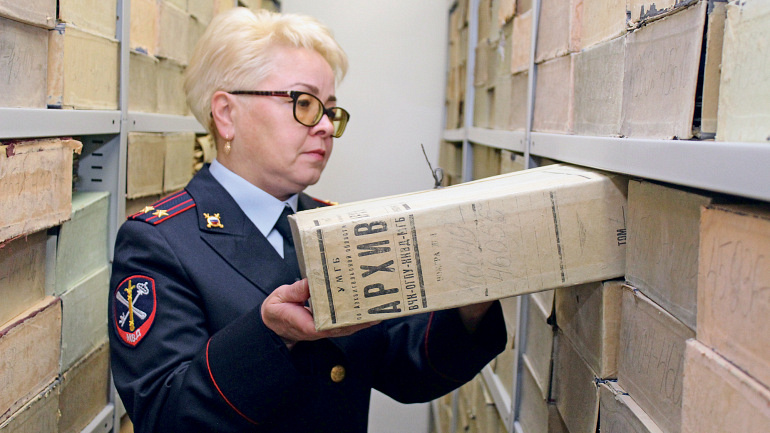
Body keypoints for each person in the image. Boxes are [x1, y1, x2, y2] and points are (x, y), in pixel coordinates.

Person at [108, 7, 506, 433]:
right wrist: (272, 335)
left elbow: (402, 364)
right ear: (226, 114)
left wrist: (473, 297)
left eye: (330, 111)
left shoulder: (335, 226)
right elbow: (166, 415)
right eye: (304, 103)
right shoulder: (161, 242)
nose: (325, 127)